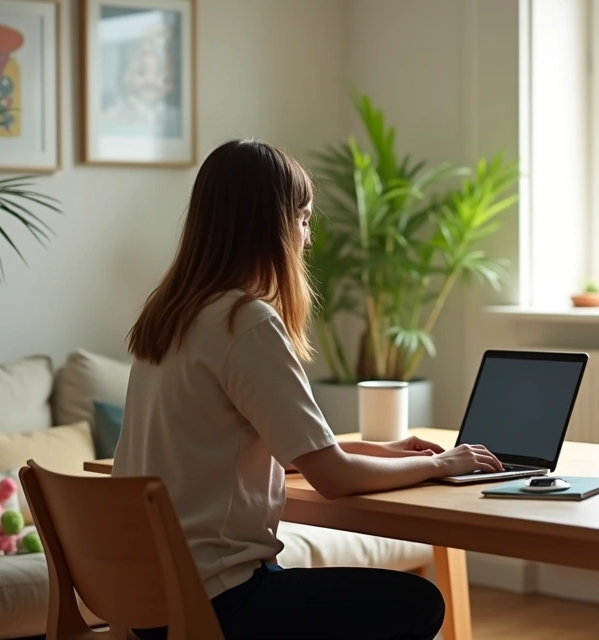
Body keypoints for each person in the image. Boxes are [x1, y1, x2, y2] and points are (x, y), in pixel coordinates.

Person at [112, 139, 504, 640]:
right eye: (303, 219)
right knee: (417, 603)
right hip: (217, 603)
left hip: (152, 601)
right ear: (271, 227)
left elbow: (292, 451)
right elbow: (332, 477)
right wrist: (441, 464)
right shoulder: (244, 321)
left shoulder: (172, 316)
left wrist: (382, 452)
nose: (308, 237)